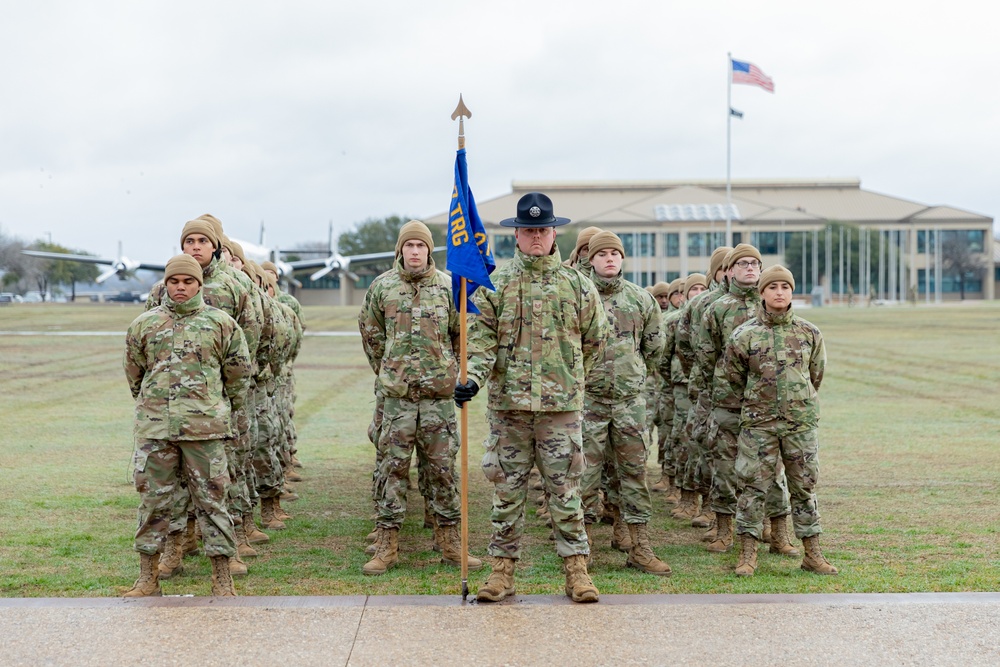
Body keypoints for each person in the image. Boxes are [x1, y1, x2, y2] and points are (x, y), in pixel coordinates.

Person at [457, 192, 610, 603]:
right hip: (510, 410)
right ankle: (501, 574)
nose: (536, 237)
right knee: (507, 492)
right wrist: (472, 380)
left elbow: (596, 343)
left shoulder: (577, 285)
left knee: (564, 492)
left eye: (542, 229)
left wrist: (571, 381)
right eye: (528, 231)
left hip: (560, 411)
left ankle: (577, 572)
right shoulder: (496, 286)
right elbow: (483, 343)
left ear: (554, 232)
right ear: (517, 236)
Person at [122, 254, 251, 597]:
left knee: (212, 501)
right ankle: (148, 578)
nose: (180, 287)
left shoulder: (221, 323)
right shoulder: (144, 325)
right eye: (174, 281)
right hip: (156, 431)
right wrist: (154, 405)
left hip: (204, 431)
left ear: (199, 284)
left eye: (188, 281)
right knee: (153, 503)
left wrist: (222, 409)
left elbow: (238, 374)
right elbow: (135, 373)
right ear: (165, 284)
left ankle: (222, 577)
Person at [358, 220, 481, 575]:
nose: (415, 252)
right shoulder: (382, 287)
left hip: (438, 399)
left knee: (442, 471)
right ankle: (387, 543)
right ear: (400, 250)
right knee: (391, 469)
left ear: (430, 250)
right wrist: (391, 371)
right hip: (398, 399)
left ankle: (449, 541)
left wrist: (451, 371)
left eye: (421, 246)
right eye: (409, 246)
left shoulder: (448, 287)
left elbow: (462, 336)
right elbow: (372, 336)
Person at [718, 265, 838, 577]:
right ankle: (747, 553)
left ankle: (812, 552)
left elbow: (816, 374)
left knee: (804, 486)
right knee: (753, 487)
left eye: (785, 286)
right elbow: (731, 380)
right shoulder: (744, 336)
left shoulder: (809, 333)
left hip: (799, 423)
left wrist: (797, 402)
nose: (780, 292)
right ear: (762, 293)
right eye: (773, 287)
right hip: (759, 425)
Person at [578, 232, 670, 575]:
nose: (610, 259)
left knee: (633, 474)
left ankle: (640, 547)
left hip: (629, 402)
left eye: (615, 253)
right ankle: (582, 550)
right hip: (588, 400)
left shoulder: (640, 299)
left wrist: (633, 374)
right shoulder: (579, 295)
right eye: (603, 254)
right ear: (592, 259)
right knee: (584, 476)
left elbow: (654, 347)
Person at [698, 244, 794, 555]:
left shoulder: (772, 305)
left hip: (767, 406)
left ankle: (777, 532)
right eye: (743, 264)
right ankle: (725, 530)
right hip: (729, 402)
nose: (750, 268)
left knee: (772, 471)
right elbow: (703, 356)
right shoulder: (717, 308)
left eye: (755, 263)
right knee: (726, 468)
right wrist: (714, 399)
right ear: (731, 269)